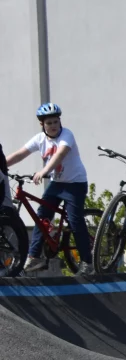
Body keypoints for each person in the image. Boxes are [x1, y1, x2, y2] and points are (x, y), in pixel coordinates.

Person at [4, 103, 95, 274]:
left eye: (55, 122)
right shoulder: (40, 139)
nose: (53, 126)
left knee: (75, 221)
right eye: (49, 123)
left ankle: (86, 262)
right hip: (57, 184)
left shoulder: (67, 135)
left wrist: (44, 171)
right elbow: (20, 154)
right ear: (42, 125)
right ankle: (35, 257)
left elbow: (59, 155)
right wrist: (2, 165)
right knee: (42, 216)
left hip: (75, 184)